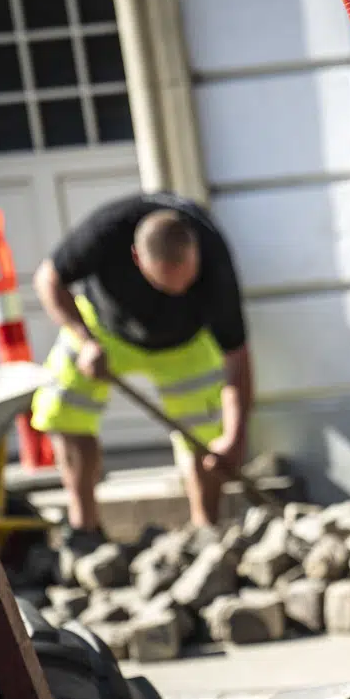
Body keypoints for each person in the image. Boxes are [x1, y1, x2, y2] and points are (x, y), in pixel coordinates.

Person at [30, 193, 254, 549]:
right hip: (103, 330)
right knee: (63, 407)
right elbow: (48, 280)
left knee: (208, 431)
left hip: (186, 343)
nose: (178, 292)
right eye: (166, 285)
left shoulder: (215, 260)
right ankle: (84, 530)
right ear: (137, 258)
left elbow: (237, 357)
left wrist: (234, 436)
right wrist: (85, 340)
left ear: (194, 252)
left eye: (187, 282)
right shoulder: (107, 230)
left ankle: (205, 533)